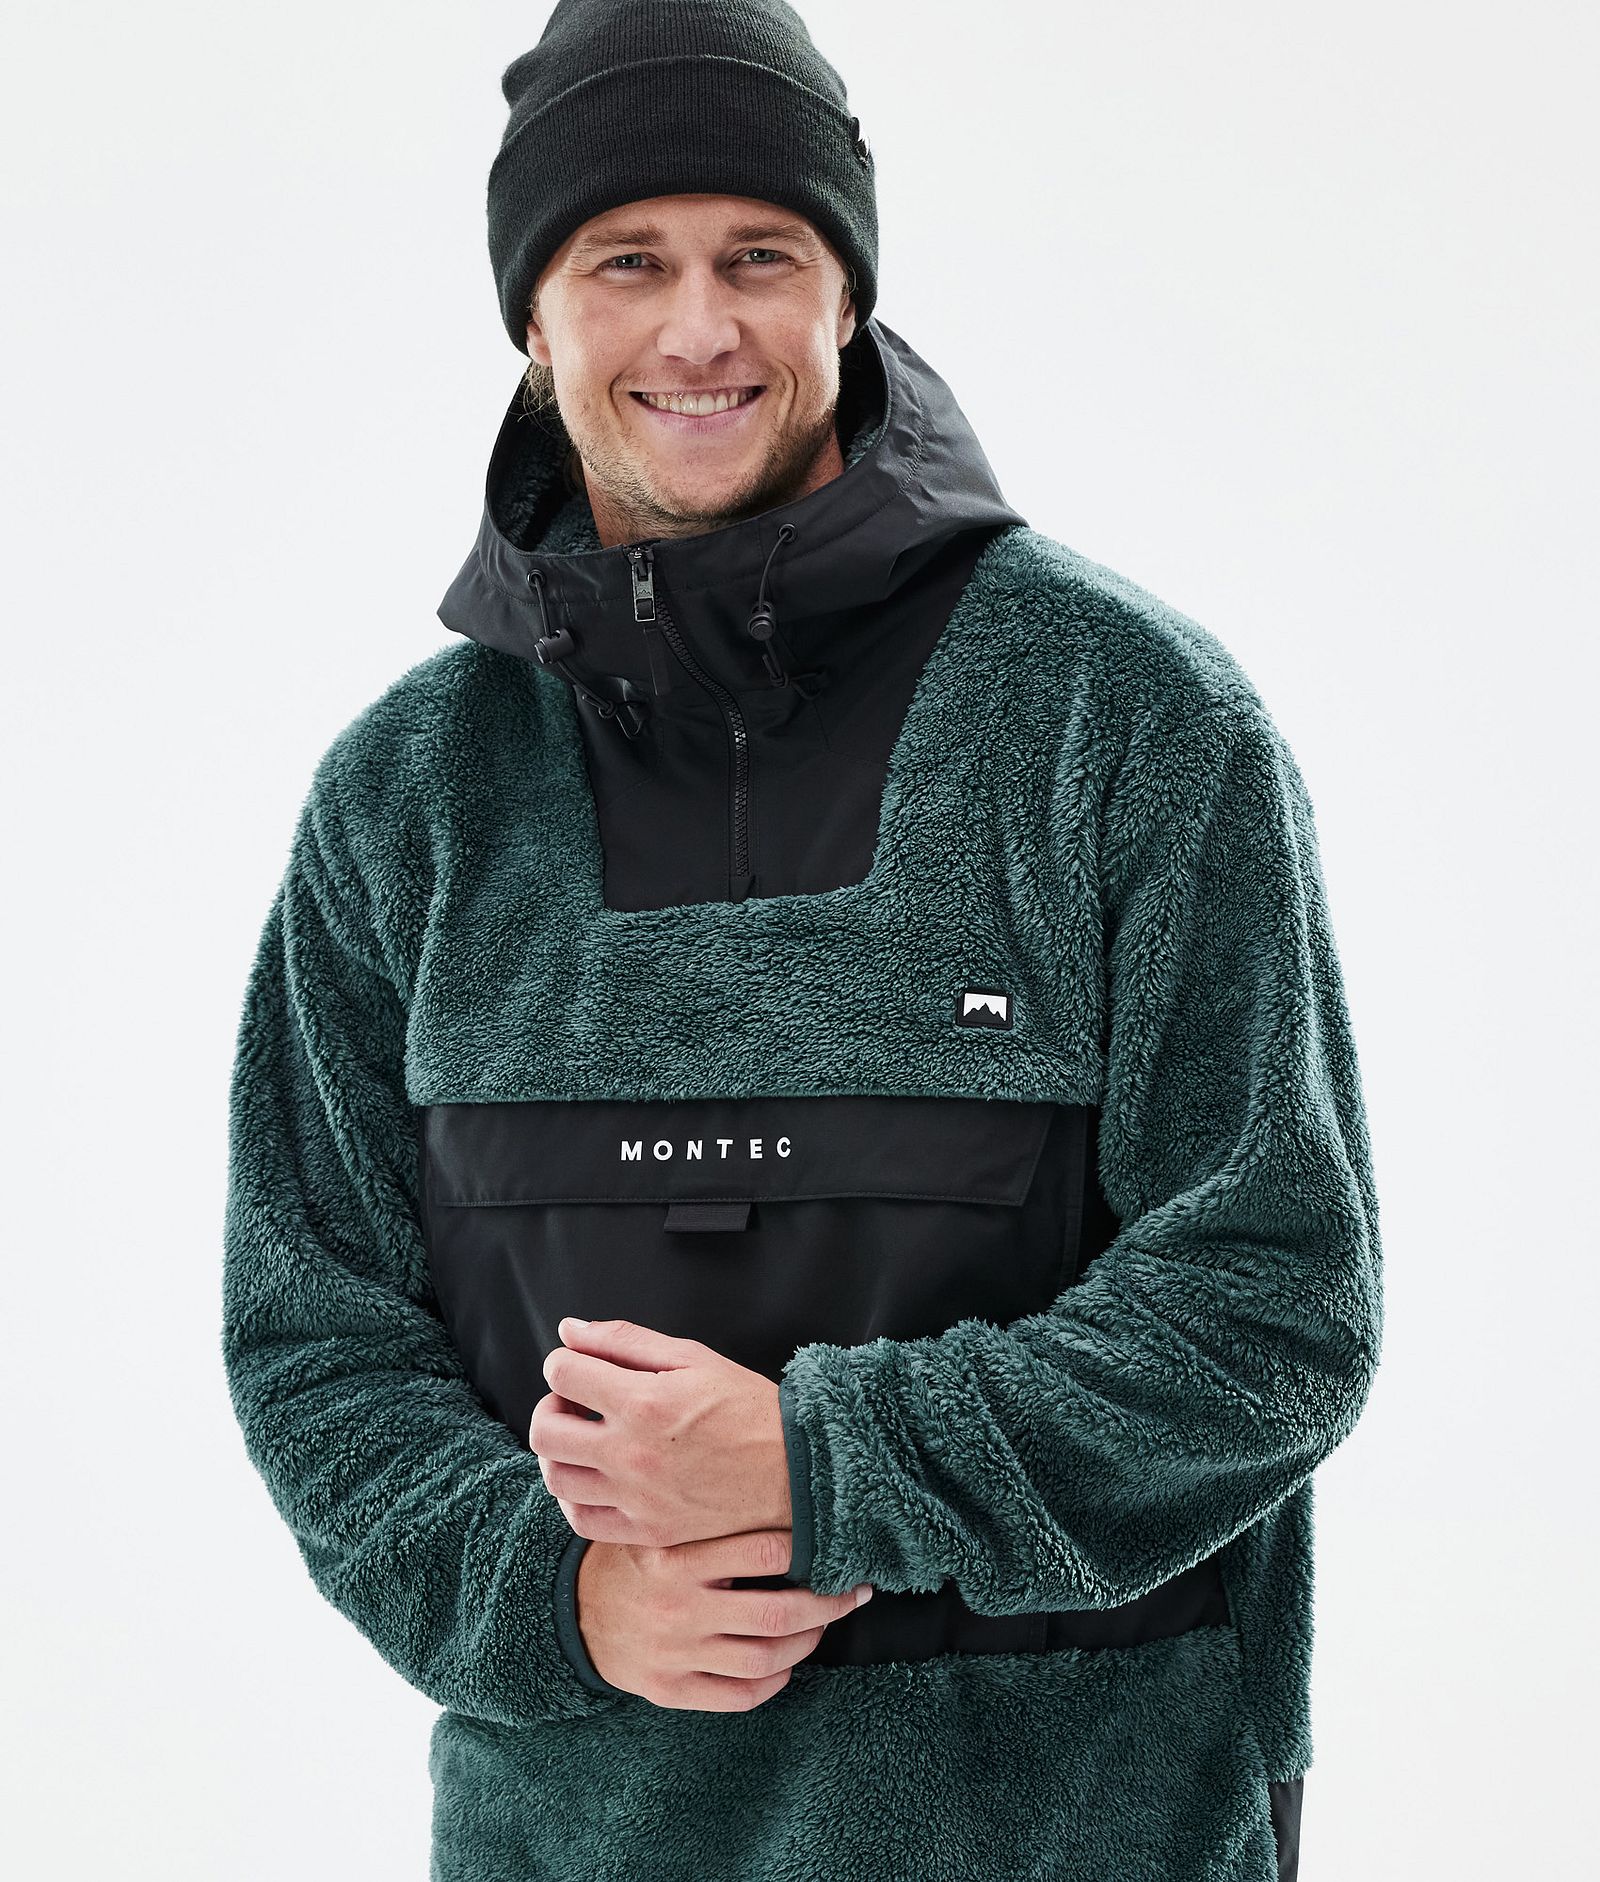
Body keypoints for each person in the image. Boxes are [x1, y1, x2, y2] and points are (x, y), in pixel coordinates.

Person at [220, 3, 1384, 1878]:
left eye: (761, 256)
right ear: (534, 321)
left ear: (849, 295)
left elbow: (1272, 1300)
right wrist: (559, 1598)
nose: (700, 328)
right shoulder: (405, 800)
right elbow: (316, 1335)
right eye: (626, 262)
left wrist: (822, 1461)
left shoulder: (1126, 721)